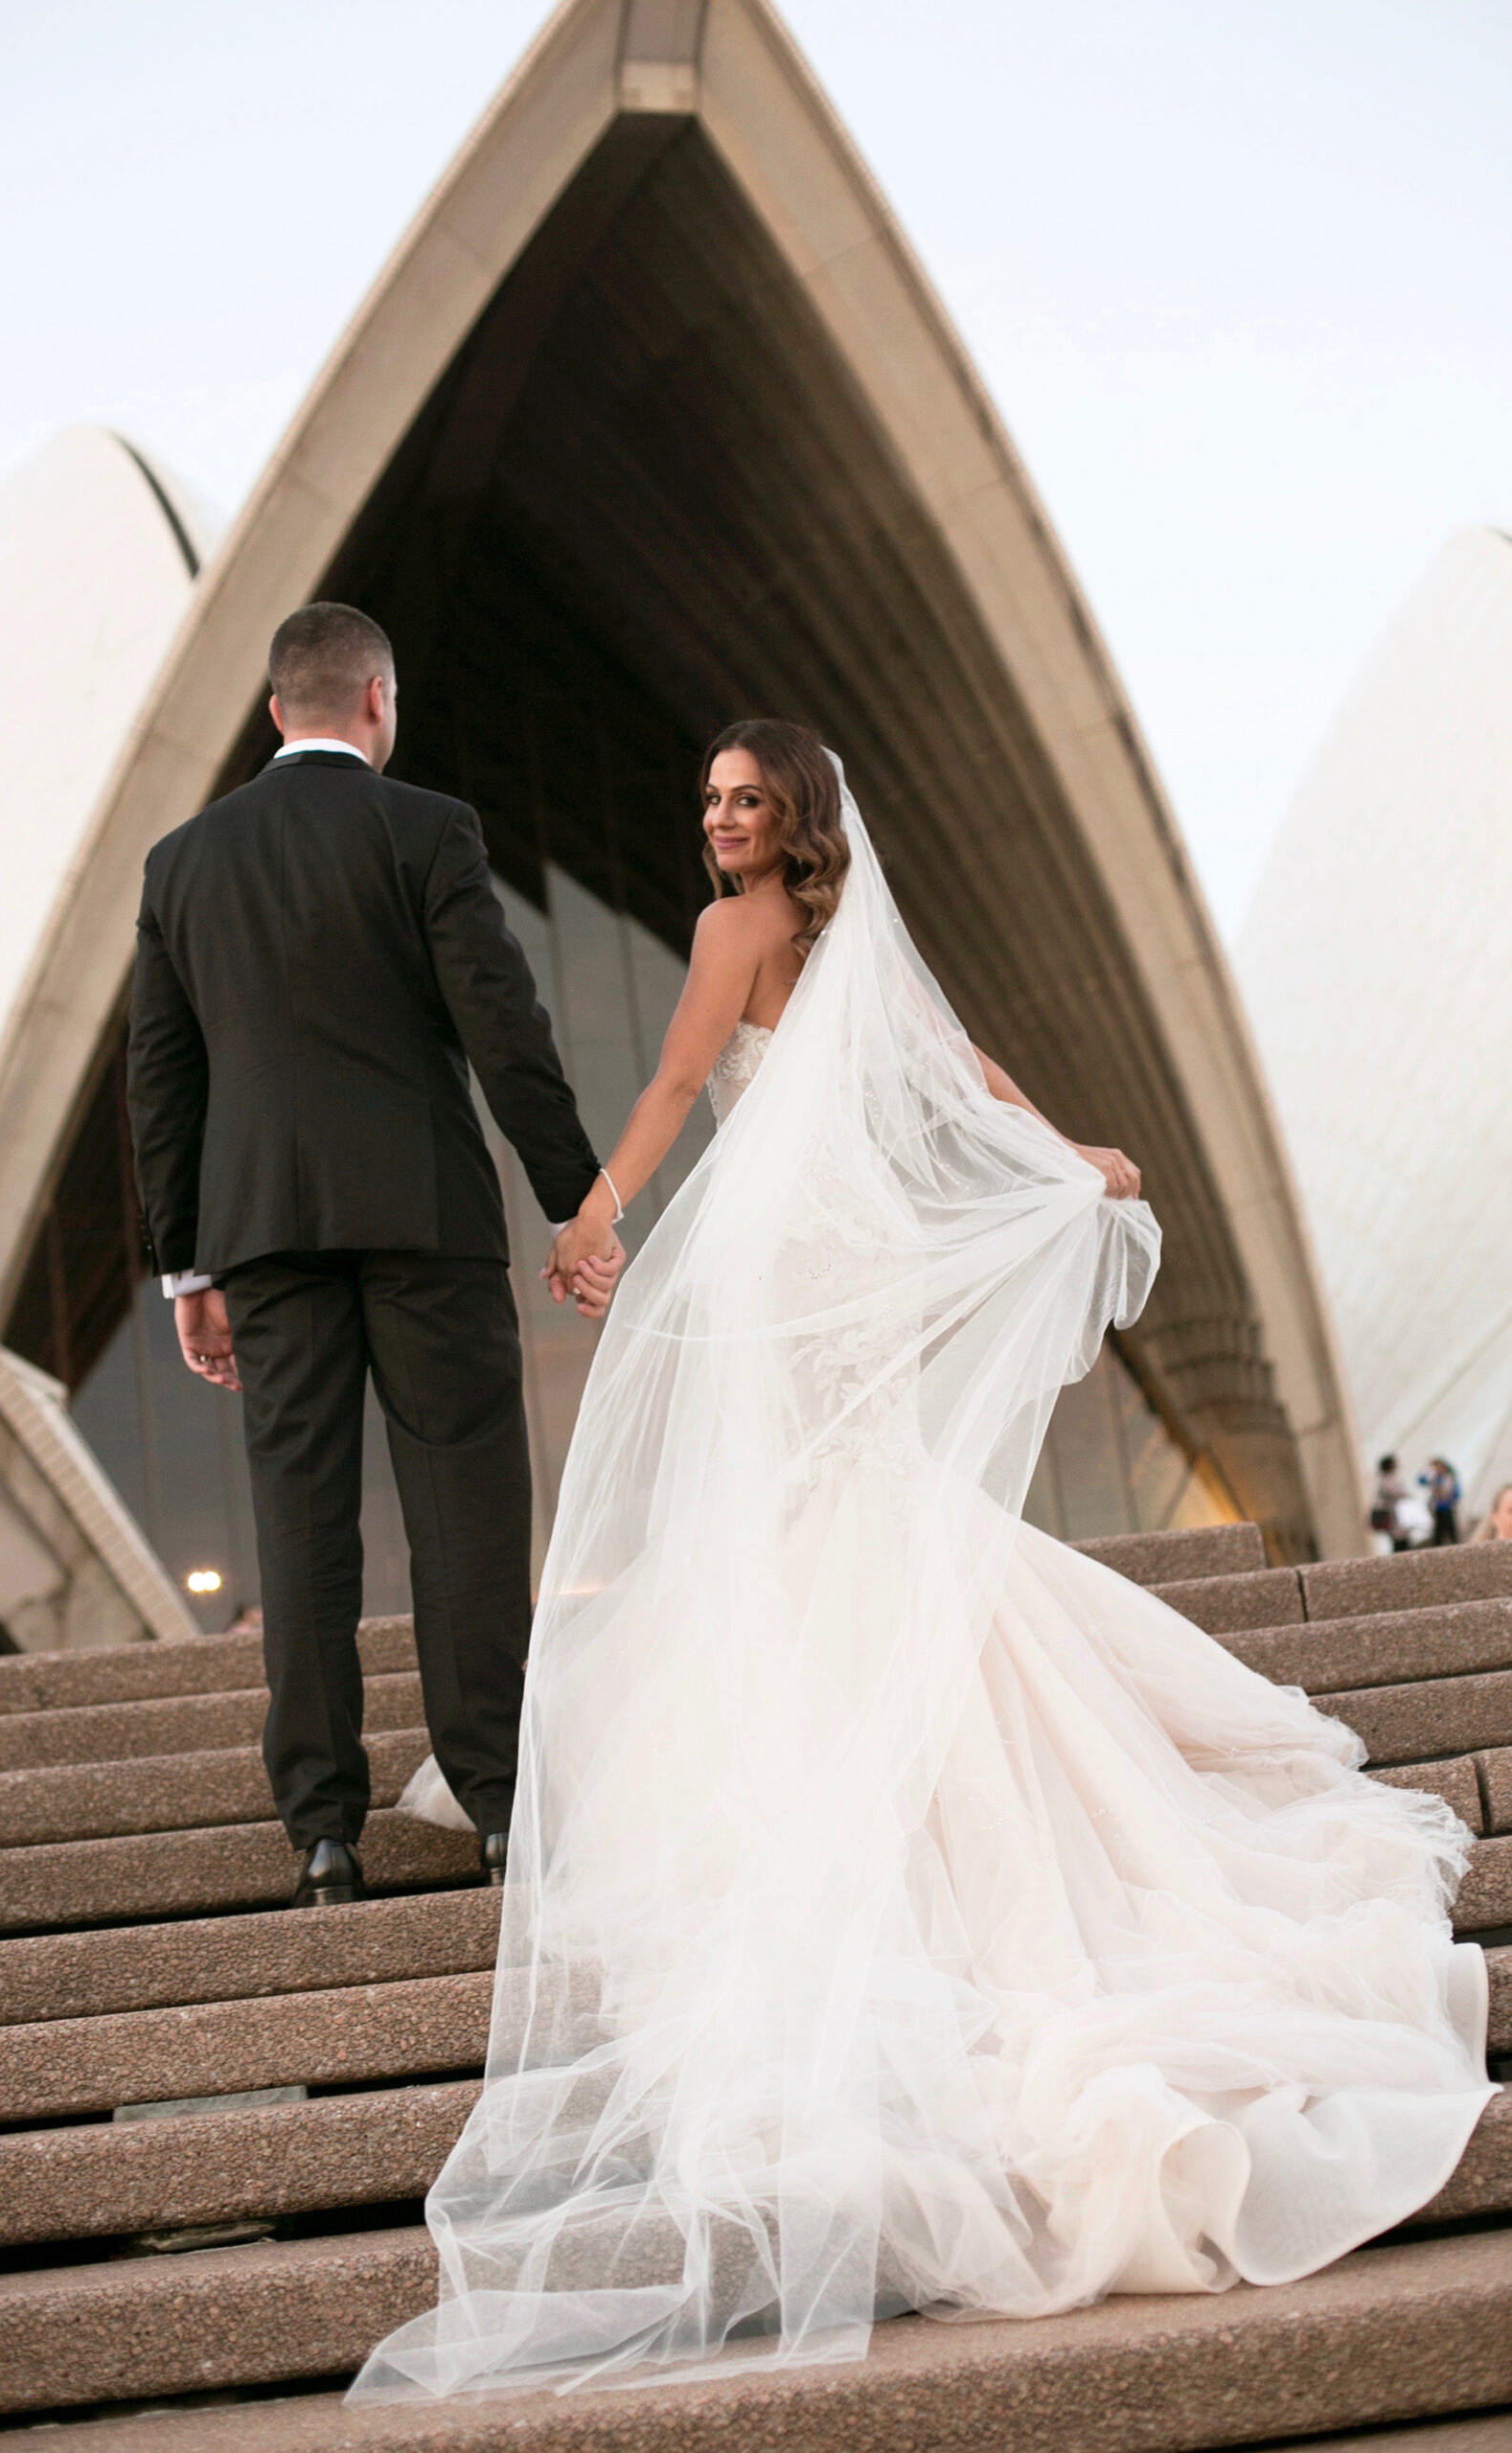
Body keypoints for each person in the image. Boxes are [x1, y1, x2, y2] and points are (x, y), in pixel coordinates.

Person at [352, 722, 1490, 2405]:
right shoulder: (857, 941)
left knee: (801, 1527)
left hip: (780, 1270)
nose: (719, 823)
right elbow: (974, 1081)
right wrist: (1069, 1162)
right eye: (707, 800)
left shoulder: (741, 937)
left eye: (742, 799)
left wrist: (595, 1217)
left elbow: (679, 1083)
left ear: (787, 818)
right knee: (858, 1519)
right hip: (853, 1260)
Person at [126, 604, 619, 1909]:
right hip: (424, 1224)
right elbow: (503, 1030)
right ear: (378, 704)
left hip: (265, 1237)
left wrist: (187, 1267)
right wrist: (578, 1202)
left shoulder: (183, 864)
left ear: (275, 710)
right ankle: (500, 1807)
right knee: (463, 1513)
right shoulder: (426, 831)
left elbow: (159, 1083)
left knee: (299, 1529)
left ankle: (323, 1831)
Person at [1371, 1452, 1410, 1549]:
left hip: (1396, 1512)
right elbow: (1398, 1492)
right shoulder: (1386, 1480)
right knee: (1399, 1539)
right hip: (1392, 1513)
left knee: (1401, 1537)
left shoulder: (1390, 1479)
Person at [1421, 1457, 1462, 1546]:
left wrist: (1452, 1500)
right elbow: (1421, 1481)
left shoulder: (1449, 1478)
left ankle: (1455, 1545)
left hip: (1447, 1508)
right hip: (1437, 1508)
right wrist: (1428, 1472)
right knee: (1439, 1531)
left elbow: (1456, 1493)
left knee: (1450, 1530)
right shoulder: (1433, 1478)